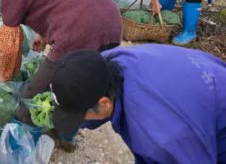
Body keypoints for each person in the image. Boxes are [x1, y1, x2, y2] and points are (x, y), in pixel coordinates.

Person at [0, 0, 122, 125]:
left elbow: (9, 39)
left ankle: (22, 130)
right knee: (88, 87)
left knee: (35, 91)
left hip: (79, 33)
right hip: (112, 24)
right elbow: (60, 0)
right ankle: (70, 131)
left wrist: (4, 73)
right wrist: (43, 35)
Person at [49, 45, 225, 163]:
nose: (80, 123)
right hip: (205, 85)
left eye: (79, 115)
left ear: (104, 104)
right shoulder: (103, 65)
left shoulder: (161, 136)